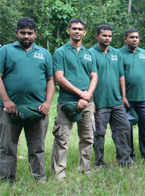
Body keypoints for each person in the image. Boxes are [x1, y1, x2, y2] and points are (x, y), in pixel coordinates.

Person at [0, 17, 55, 184]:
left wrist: (47, 103)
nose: (26, 36)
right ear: (16, 33)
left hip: (37, 109)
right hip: (10, 109)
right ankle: (6, 179)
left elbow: (50, 80)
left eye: (30, 33)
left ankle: (39, 178)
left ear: (35, 34)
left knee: (37, 147)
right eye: (22, 33)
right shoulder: (6, 51)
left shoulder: (44, 53)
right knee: (7, 147)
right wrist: (7, 101)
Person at [51, 18, 98, 181]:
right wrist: (81, 94)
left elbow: (94, 78)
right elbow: (59, 78)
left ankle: (85, 169)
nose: (77, 31)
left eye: (80, 29)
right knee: (62, 138)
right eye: (74, 28)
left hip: (87, 103)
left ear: (84, 32)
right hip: (67, 102)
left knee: (87, 137)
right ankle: (58, 172)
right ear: (68, 31)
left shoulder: (89, 53)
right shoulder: (60, 52)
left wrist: (88, 96)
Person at [90, 25, 134, 168]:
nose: (107, 38)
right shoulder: (90, 53)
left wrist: (123, 96)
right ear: (97, 36)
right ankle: (99, 163)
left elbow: (121, 75)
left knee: (124, 129)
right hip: (100, 101)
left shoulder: (116, 53)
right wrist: (91, 100)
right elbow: (88, 78)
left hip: (117, 101)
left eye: (109, 36)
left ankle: (125, 161)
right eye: (104, 35)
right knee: (99, 133)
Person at [119, 28, 145, 160]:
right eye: (131, 37)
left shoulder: (143, 53)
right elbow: (118, 75)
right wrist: (122, 96)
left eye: (137, 37)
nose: (135, 40)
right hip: (127, 99)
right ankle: (129, 155)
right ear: (125, 39)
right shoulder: (119, 54)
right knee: (127, 127)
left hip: (143, 98)